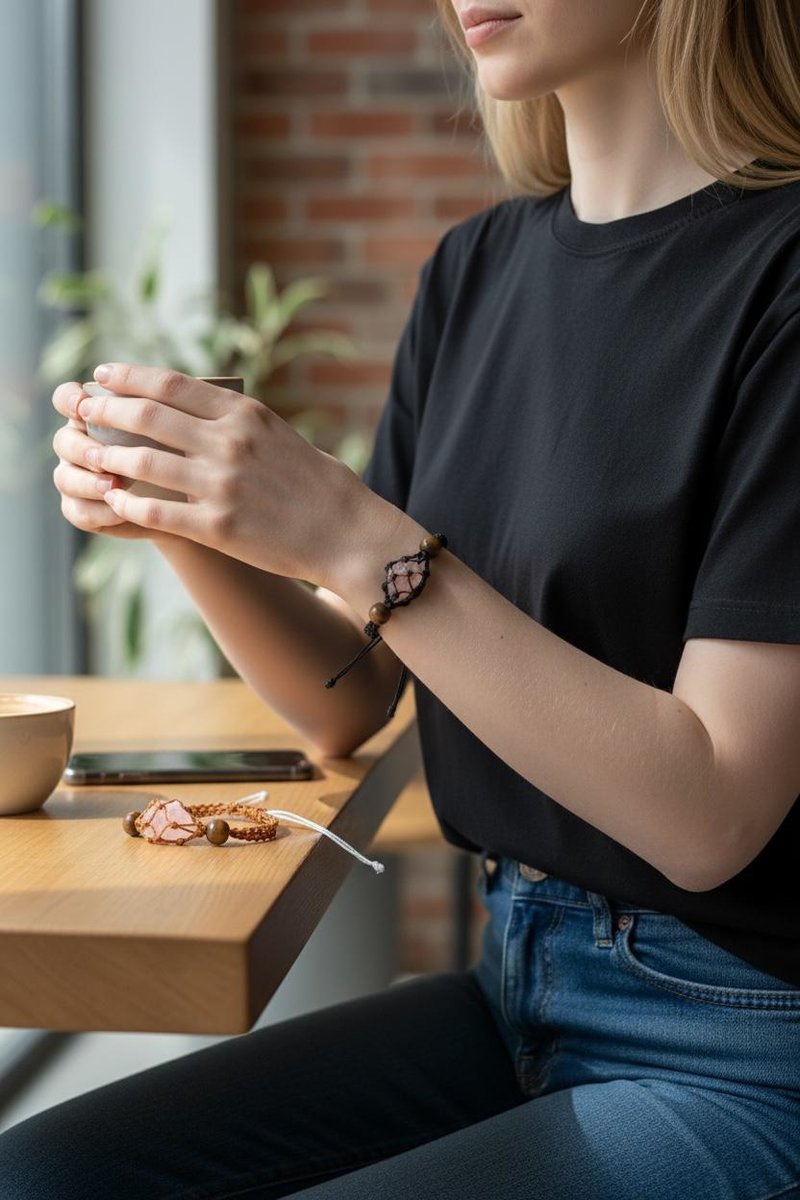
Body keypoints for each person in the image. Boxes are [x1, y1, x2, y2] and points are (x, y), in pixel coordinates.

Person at [3, 0, 800, 1195]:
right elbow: (351, 695)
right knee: (45, 1175)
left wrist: (338, 525)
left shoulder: (781, 278)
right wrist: (183, 514)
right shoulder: (473, 270)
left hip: (741, 1041)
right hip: (514, 981)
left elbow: (710, 814)